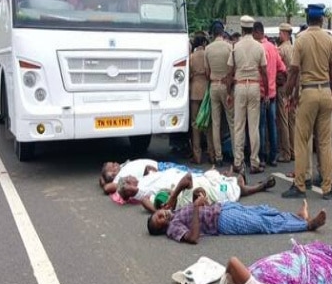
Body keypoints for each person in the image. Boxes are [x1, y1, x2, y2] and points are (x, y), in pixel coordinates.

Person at [282, 4, 332, 200]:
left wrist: (288, 94)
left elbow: (294, 71)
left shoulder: (301, 40)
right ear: (322, 19)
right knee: (324, 143)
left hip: (307, 93)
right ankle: (327, 187)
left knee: (301, 140)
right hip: (325, 92)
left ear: (307, 19)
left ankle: (300, 185)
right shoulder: (329, 39)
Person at [147, 195, 327, 243]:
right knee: (262, 224)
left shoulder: (175, 212)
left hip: (222, 207)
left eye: (159, 214)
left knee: (263, 211)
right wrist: (195, 207)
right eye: (160, 219)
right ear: (162, 228)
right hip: (222, 221)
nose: (163, 215)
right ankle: (307, 225)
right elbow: (193, 238)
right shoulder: (173, 228)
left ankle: (296, 217)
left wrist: (202, 202)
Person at [117, 168, 274, 212]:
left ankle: (235, 176)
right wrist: (162, 209)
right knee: (232, 189)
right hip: (211, 190)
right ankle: (255, 185)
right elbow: (145, 201)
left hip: (199, 181)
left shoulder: (169, 197)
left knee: (219, 178)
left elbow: (187, 178)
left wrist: (171, 197)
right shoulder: (171, 206)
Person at [227, 16, 268, 174]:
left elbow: (230, 71)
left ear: (242, 29)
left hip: (239, 86)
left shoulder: (236, 47)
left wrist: (229, 92)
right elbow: (264, 71)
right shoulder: (259, 47)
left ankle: (238, 161)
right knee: (254, 126)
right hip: (254, 86)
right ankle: (254, 162)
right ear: (252, 29)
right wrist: (266, 92)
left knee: (238, 126)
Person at [254, 21, 287, 167]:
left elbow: (262, 72)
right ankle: (273, 156)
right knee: (272, 125)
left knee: (261, 126)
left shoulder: (259, 48)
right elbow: (283, 68)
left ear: (256, 33)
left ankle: (261, 156)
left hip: (262, 93)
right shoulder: (273, 48)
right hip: (272, 93)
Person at [205, 21, 235, 166]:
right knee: (232, 122)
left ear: (213, 33)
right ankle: (237, 155)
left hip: (213, 86)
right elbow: (233, 68)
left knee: (216, 123)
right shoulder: (229, 47)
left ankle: (218, 156)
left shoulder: (208, 49)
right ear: (222, 33)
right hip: (226, 86)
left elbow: (207, 72)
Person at [189, 33, 214, 164]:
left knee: (195, 124)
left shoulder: (191, 57)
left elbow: (189, 75)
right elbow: (209, 73)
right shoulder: (207, 55)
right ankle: (211, 153)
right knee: (208, 123)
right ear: (204, 43)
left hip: (194, 91)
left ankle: (197, 155)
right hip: (205, 91)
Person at [276, 23, 296, 162]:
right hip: (294, 87)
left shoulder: (281, 50)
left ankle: (286, 153)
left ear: (284, 33)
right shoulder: (294, 48)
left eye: (280, 33)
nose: (279, 35)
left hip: (283, 87)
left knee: (283, 119)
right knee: (292, 120)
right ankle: (294, 151)